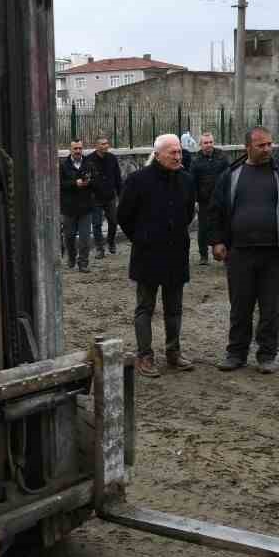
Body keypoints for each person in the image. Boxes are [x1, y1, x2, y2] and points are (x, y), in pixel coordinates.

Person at [207, 126, 279, 374]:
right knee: (240, 306)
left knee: (271, 307)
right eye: (261, 145)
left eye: (269, 144)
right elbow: (216, 211)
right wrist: (217, 241)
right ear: (248, 147)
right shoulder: (231, 175)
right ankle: (236, 353)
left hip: (275, 254)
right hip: (240, 253)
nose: (267, 149)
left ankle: (267, 355)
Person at [117, 133, 196, 378]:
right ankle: (145, 356)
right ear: (158, 153)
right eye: (172, 152)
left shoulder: (186, 180)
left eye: (179, 152)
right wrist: (142, 238)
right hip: (147, 254)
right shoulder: (138, 180)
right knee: (145, 308)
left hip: (175, 253)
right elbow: (124, 216)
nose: (177, 156)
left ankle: (173, 352)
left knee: (174, 309)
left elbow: (188, 213)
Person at [189, 132, 229, 265]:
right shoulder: (195, 161)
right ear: (201, 145)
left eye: (211, 142)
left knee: (224, 226)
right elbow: (192, 183)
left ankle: (224, 254)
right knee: (203, 229)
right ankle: (203, 256)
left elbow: (229, 176)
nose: (209, 145)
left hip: (222, 199)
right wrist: (194, 201)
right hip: (204, 201)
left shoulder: (222, 157)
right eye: (206, 143)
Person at [58, 139, 96, 273]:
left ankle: (83, 263)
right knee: (69, 237)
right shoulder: (63, 166)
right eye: (75, 149)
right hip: (69, 209)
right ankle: (72, 258)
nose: (78, 151)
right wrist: (75, 183)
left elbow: (95, 182)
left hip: (86, 208)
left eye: (80, 148)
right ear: (70, 150)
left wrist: (89, 182)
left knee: (85, 238)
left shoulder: (89, 163)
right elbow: (59, 185)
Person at [86, 137, 124, 258]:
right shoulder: (89, 160)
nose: (105, 146)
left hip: (110, 197)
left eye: (107, 143)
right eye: (102, 144)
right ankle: (99, 249)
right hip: (95, 197)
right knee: (96, 224)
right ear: (96, 146)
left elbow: (118, 178)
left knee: (113, 221)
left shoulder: (112, 158)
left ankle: (111, 242)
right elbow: (85, 177)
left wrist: (121, 194)